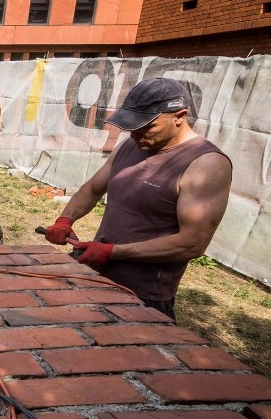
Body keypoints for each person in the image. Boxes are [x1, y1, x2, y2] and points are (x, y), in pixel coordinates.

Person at [44, 77, 232, 319]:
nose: (136, 136)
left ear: (179, 116)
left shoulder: (206, 165)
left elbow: (192, 243)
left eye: (146, 128)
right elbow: (92, 189)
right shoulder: (131, 146)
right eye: (132, 128)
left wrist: (112, 252)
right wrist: (65, 220)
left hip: (144, 294)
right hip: (98, 273)